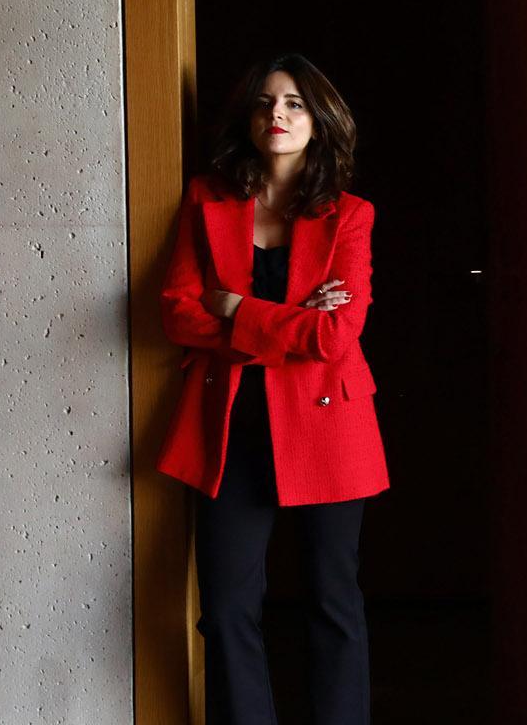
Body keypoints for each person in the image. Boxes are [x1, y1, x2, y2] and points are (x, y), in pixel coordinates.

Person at [153, 52, 389, 725]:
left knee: (331, 600)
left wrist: (235, 308)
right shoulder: (208, 198)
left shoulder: (349, 215)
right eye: (263, 103)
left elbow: (337, 336)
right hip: (230, 423)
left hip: (329, 425)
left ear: (318, 120)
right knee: (225, 608)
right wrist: (288, 321)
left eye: (292, 103)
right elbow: (177, 312)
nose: (276, 114)